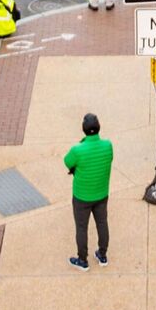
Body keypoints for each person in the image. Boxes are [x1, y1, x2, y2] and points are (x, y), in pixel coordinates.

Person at [64, 113, 112, 270]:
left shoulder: (77, 150)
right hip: (101, 194)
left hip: (81, 197)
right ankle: (102, 255)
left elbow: (67, 162)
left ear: (83, 129)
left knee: (82, 228)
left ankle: (82, 260)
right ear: (99, 128)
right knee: (102, 223)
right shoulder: (108, 146)